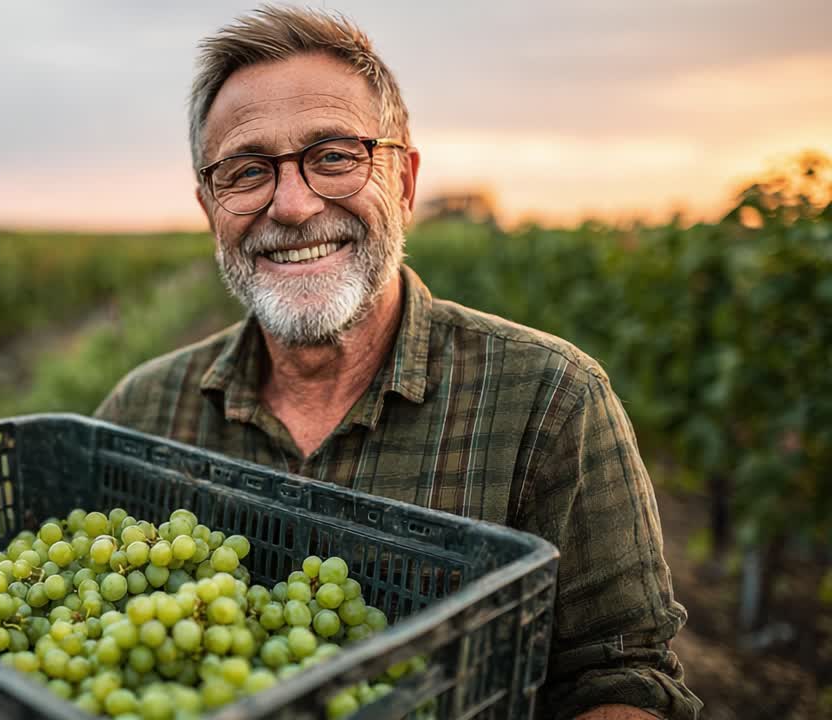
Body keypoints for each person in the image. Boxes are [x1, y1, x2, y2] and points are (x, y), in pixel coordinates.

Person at [95, 6, 700, 720]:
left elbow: (620, 677)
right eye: (247, 170)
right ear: (209, 208)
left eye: (334, 156)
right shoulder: (140, 414)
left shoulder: (550, 401)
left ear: (404, 184)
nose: (290, 205)